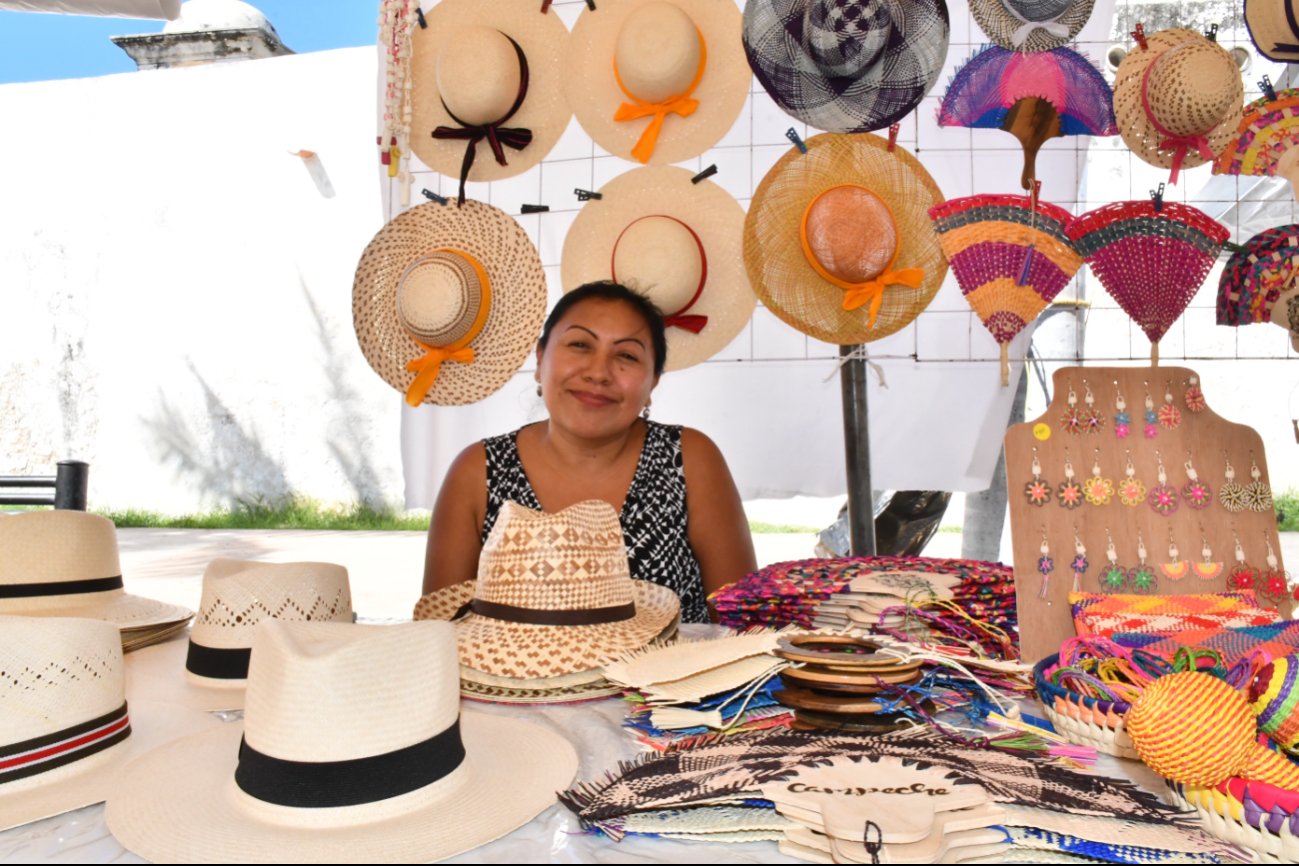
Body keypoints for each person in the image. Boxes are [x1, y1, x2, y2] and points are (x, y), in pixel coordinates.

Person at [421, 281, 756, 622]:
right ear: (540, 359)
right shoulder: (477, 471)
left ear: (653, 381)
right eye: (580, 345)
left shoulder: (690, 460)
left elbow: (743, 628)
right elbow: (440, 634)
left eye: (626, 355)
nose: (598, 373)